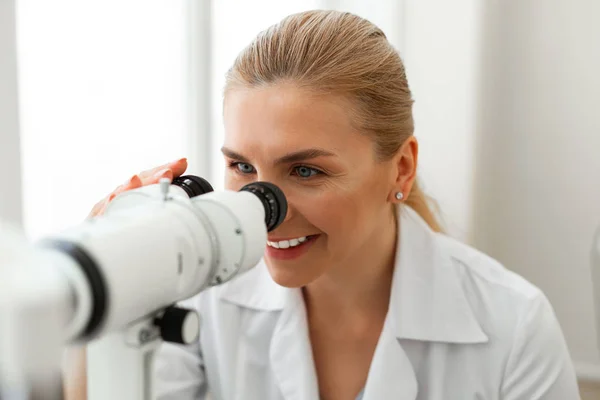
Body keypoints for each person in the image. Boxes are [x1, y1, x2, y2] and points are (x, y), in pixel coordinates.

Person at [64, 9, 580, 400]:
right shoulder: (205, 293)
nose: (263, 209)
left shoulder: (515, 328)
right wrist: (106, 281)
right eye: (243, 167)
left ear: (400, 168)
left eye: (306, 171)